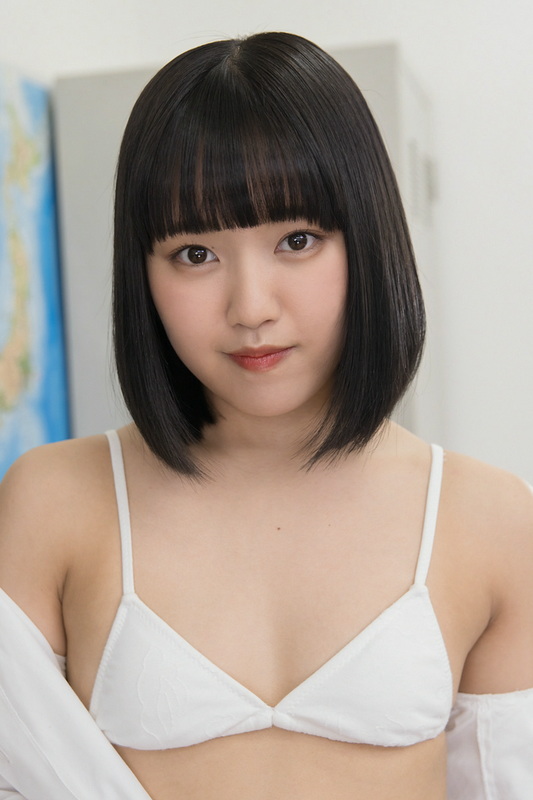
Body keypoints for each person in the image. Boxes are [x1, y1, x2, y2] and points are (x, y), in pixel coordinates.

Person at [0, 31, 532, 800]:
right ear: (140, 272)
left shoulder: (487, 517)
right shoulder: (54, 501)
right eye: (194, 254)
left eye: (297, 240)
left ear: (367, 241)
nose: (250, 307)